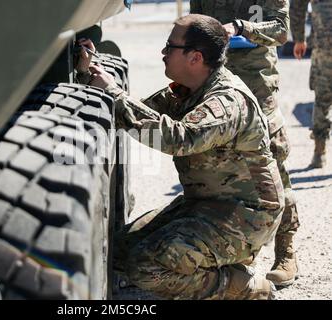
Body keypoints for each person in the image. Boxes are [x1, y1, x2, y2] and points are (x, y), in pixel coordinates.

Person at [77, 14, 284, 299]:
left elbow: (179, 138)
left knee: (146, 266)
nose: (163, 53)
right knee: (121, 252)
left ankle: (242, 285)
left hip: (248, 215)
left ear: (195, 58)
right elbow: (138, 115)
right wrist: (94, 71)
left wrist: (113, 93)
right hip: (207, 204)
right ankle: (217, 258)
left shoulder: (227, 100)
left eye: (169, 46)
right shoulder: (190, 88)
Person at [189, 0, 299, 288]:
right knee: (223, 164)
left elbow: (280, 29)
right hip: (217, 82)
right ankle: (235, 252)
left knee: (272, 161)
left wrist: (242, 28)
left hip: (257, 84)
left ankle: (286, 251)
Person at [291, 0, 332, 168]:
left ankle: (319, 152)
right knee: (322, 99)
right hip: (325, 50)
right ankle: (319, 151)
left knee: (322, 100)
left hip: (324, 48)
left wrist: (299, 38)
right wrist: (299, 38)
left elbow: (297, 6)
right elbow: (298, 5)